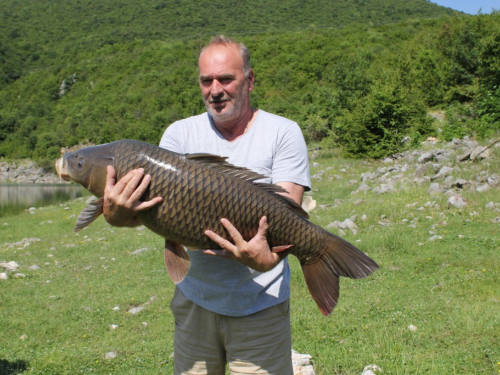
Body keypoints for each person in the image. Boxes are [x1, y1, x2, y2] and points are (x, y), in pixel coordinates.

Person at [102, 35, 311, 374]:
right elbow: (145, 213)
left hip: (260, 305)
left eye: (226, 79)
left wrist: (265, 260)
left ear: (250, 80)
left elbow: (286, 219)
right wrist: (114, 213)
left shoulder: (283, 132)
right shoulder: (177, 136)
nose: (215, 90)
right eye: (206, 80)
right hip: (194, 302)